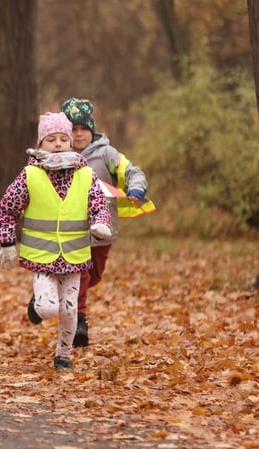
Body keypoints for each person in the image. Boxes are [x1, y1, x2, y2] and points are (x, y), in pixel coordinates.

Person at [0, 112, 111, 371]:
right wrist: (6, 242)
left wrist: (101, 224)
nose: (58, 144)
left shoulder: (86, 175)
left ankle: (63, 355)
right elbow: (7, 208)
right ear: (40, 145)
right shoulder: (30, 175)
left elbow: (98, 206)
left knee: (69, 311)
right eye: (50, 139)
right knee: (48, 308)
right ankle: (37, 309)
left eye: (63, 139)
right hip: (41, 258)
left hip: (74, 257)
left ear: (71, 143)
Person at [61, 97, 153, 347]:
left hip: (103, 230)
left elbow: (132, 171)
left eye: (83, 129)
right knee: (78, 274)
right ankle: (79, 322)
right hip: (69, 231)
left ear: (91, 130)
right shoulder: (58, 157)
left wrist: (136, 188)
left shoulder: (106, 154)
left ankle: (57, 291)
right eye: (73, 130)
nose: (78, 135)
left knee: (94, 276)